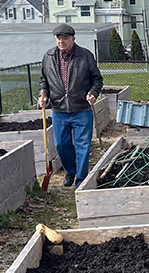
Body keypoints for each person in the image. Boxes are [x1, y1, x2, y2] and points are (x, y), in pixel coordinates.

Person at [39, 23, 103, 187]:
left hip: (81, 108)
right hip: (59, 110)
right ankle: (70, 171)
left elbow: (97, 79)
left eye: (65, 38)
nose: (61, 41)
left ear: (73, 38)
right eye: (58, 38)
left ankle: (81, 179)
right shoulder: (49, 57)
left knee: (83, 145)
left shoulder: (85, 56)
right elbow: (44, 81)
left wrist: (93, 93)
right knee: (61, 145)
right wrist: (44, 95)